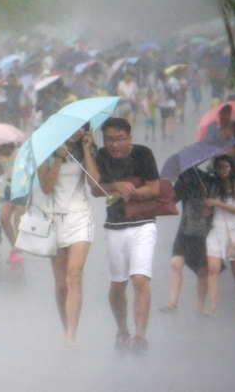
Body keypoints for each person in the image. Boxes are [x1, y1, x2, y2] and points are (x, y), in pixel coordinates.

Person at [94, 117, 161, 354]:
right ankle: (122, 329)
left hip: (143, 223)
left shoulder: (143, 154)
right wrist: (115, 186)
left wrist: (126, 192)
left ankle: (140, 336)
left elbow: (154, 188)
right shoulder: (101, 156)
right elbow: (95, 189)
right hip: (114, 225)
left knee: (140, 279)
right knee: (118, 283)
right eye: (110, 139)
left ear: (129, 138)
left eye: (120, 139)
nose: (114, 145)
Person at [34, 124, 100, 348]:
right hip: (54, 218)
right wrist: (59, 158)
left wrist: (87, 149)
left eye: (82, 128)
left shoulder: (87, 149)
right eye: (72, 128)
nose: (77, 131)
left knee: (74, 275)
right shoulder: (46, 152)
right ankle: (66, 329)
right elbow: (46, 187)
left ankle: (71, 334)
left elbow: (94, 183)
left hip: (80, 216)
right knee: (61, 283)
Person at [159, 168, 213, 315]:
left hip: (203, 231)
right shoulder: (185, 178)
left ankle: (201, 306)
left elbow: (211, 209)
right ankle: (172, 304)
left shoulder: (210, 179)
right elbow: (173, 199)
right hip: (185, 228)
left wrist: (206, 195)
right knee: (175, 264)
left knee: (202, 270)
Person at [203, 155, 235, 319]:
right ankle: (212, 306)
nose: (222, 171)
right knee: (213, 269)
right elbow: (207, 212)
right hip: (217, 232)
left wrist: (216, 203)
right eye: (219, 168)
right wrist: (206, 205)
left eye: (225, 167)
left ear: (232, 168)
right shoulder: (213, 188)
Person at [0, 143, 26, 263]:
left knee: (17, 221)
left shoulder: (20, 153)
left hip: (21, 187)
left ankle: (19, 249)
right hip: (9, 187)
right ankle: (15, 247)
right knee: (3, 218)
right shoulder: (1, 155)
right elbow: (0, 171)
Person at [158, 70, 177, 140]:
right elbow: (158, 92)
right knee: (163, 120)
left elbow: (174, 92)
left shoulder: (171, 82)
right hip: (163, 104)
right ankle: (164, 133)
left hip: (171, 103)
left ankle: (171, 133)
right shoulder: (160, 82)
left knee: (171, 119)